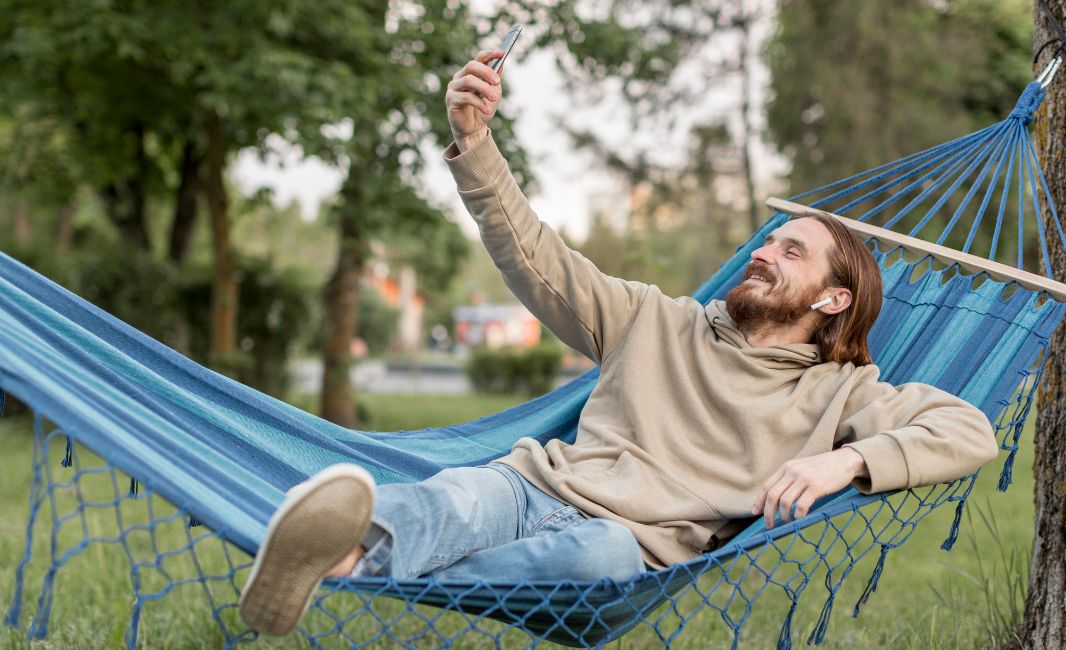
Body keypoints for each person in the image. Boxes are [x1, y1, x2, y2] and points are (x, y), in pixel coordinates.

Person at [238, 49, 999, 636]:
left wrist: (850, 457)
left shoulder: (843, 393)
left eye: (793, 252)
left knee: (596, 559)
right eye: (770, 242)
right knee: (464, 494)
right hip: (534, 487)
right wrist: (474, 143)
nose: (765, 252)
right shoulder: (654, 320)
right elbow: (536, 257)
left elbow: (969, 430)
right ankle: (338, 554)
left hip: (623, 550)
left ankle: (360, 564)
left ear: (834, 300)